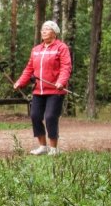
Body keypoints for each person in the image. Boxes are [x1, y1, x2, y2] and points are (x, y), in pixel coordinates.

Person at [13, 20, 72, 156]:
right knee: (35, 116)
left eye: (47, 29)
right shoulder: (36, 50)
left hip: (55, 90)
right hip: (38, 90)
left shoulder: (61, 48)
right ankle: (42, 146)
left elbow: (66, 67)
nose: (43, 31)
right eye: (42, 29)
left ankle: (54, 149)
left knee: (51, 117)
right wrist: (20, 82)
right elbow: (29, 69)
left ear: (54, 32)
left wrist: (61, 81)